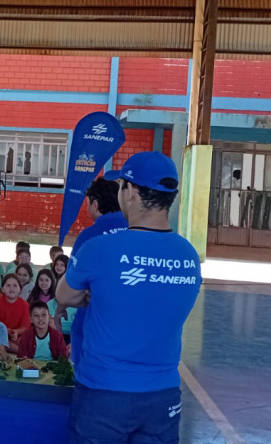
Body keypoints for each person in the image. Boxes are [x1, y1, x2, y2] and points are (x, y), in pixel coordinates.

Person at [57, 152, 200, 443]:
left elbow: (64, 295)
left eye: (121, 185)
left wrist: (95, 295)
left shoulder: (100, 248)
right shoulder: (189, 256)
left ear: (131, 191)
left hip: (104, 394)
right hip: (163, 397)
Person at [56, 177, 129, 370]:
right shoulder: (137, 232)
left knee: (87, 377)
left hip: (93, 326)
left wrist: (61, 306)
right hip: (129, 330)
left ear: (95, 204)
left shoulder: (89, 237)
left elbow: (70, 286)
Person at [0, 273, 30, 352]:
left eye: (15, 285)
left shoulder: (24, 304)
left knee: (25, 340)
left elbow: (25, 327)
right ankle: (21, 351)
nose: (11, 288)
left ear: (20, 289)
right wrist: (5, 331)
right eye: (8, 285)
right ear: (2, 289)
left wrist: (16, 332)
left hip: (16, 335)